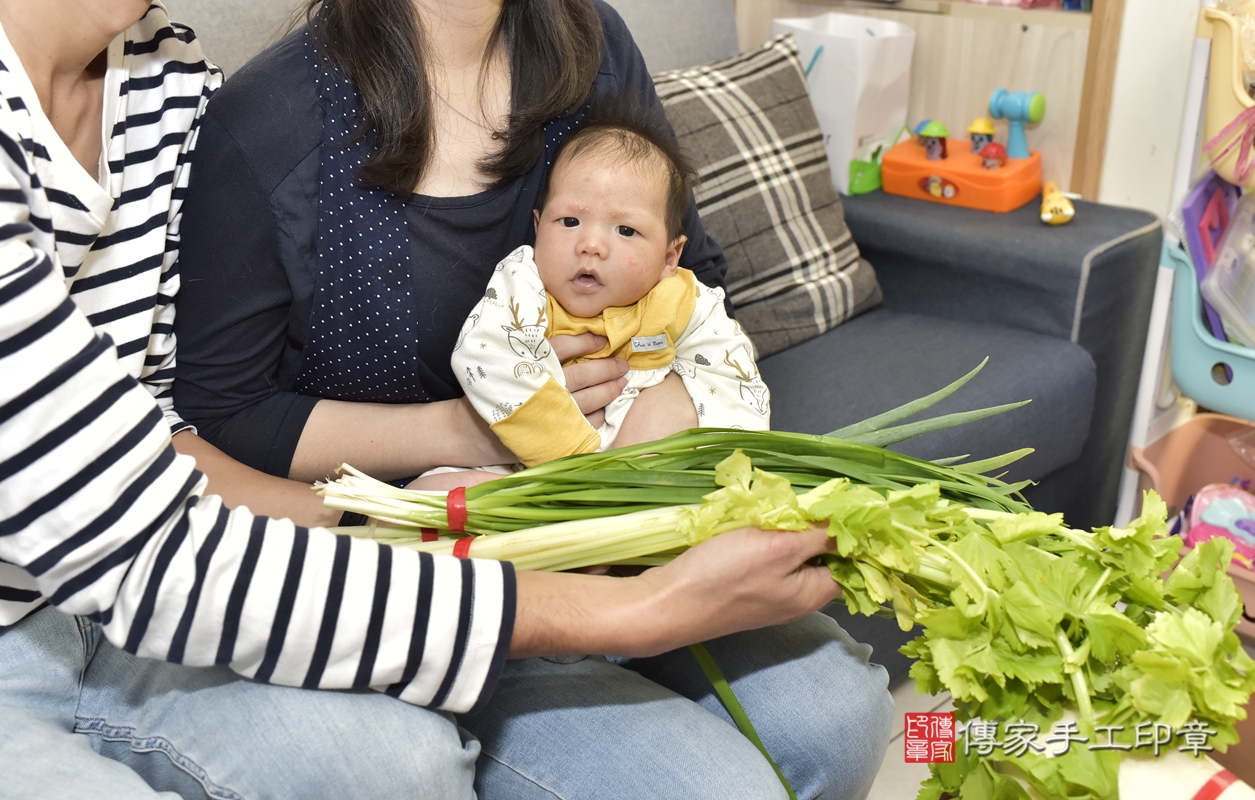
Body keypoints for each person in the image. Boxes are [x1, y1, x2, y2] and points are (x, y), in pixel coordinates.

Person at [0, 1, 864, 797]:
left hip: (396, 540)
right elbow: (160, 525)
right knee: (401, 766)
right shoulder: (263, 116)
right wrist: (444, 515)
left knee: (840, 720)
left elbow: (162, 426)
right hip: (191, 574)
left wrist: (666, 430)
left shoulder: (162, 67)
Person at [450, 115, 770, 469]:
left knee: (672, 410)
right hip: (531, 454)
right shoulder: (523, 284)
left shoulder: (679, 299)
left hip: (638, 456)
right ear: (538, 228)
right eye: (570, 222)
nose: (591, 245)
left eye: (626, 230)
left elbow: (733, 374)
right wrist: (570, 455)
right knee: (426, 494)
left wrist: (739, 461)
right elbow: (484, 357)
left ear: (668, 257)